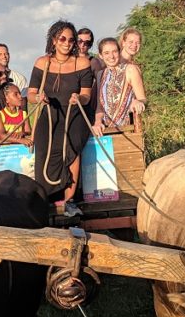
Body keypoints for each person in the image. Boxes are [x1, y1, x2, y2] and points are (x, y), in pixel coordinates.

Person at [27, 21, 93, 217]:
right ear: (54, 40)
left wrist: (78, 97)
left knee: (71, 150)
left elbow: (87, 95)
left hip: (74, 114)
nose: (67, 43)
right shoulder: (42, 62)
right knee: (43, 151)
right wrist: (38, 97)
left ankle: (70, 200)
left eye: (71, 40)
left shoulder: (82, 63)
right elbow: (30, 94)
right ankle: (46, 200)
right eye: (62, 39)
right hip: (49, 114)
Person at [91, 37, 147, 137]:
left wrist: (137, 102)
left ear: (119, 51)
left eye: (114, 52)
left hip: (128, 130)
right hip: (106, 131)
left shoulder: (130, 69)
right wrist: (97, 122)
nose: (111, 56)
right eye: (106, 53)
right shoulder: (100, 75)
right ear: (101, 55)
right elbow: (100, 107)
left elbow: (142, 99)